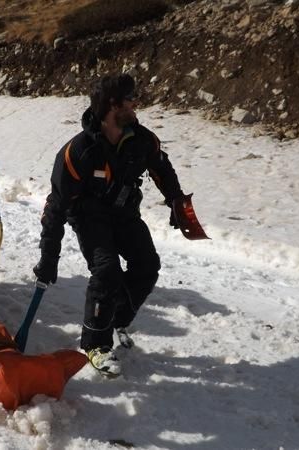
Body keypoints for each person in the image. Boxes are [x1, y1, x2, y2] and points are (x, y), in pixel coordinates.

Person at [33, 73, 187, 378]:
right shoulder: (78, 151)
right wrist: (49, 257)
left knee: (147, 266)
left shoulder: (141, 139)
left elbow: (161, 167)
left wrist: (176, 202)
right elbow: (57, 206)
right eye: (131, 98)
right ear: (113, 105)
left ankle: (116, 318)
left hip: (125, 214)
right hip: (89, 218)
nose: (136, 103)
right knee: (106, 270)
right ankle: (95, 343)